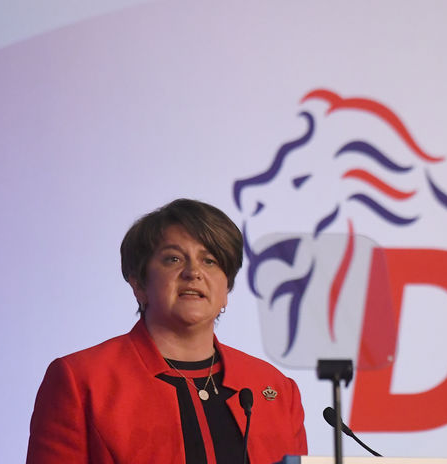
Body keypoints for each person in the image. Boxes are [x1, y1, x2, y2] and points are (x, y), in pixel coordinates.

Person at [27, 199, 308, 464]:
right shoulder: (80, 381)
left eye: (209, 261)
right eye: (173, 259)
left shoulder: (276, 389)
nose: (193, 272)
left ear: (226, 290)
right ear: (138, 284)